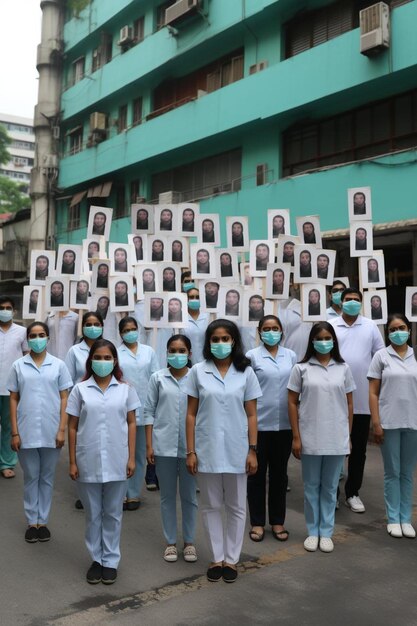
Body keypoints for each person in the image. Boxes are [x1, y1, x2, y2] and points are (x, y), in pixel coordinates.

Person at [185, 319, 261, 583]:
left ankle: (232, 559)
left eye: (225, 339)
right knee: (210, 505)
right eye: (215, 339)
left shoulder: (246, 372)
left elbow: (252, 414)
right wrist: (191, 451)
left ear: (234, 341)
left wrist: (252, 449)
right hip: (206, 448)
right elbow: (191, 414)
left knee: (238, 505)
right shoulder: (198, 371)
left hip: (238, 448)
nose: (220, 343)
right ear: (208, 343)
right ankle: (217, 557)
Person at [67, 339, 139, 584]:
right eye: (98, 357)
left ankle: (110, 560)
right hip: (87, 458)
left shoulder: (126, 389)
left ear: (115, 361)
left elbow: (131, 422)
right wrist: (73, 461)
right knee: (93, 513)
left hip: (118, 458)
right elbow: (72, 426)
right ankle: (96, 559)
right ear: (90, 361)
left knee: (113, 513)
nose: (103, 362)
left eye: (108, 358)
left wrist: (131, 458)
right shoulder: (80, 389)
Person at [288, 322, 355, 553]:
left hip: (336, 436)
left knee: (329, 487)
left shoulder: (343, 368)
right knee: (311, 487)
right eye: (319, 337)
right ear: (312, 341)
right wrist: (296, 436)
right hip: (310, 436)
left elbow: (349, 403)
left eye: (328, 337)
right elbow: (291, 402)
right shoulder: (301, 368)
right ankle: (312, 531)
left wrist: (348, 436)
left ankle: (326, 532)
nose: (324, 341)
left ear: (334, 340)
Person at [8, 322, 72, 542]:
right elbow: (13, 398)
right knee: (31, 476)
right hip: (25, 430)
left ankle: (42, 521)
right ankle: (31, 521)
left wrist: (61, 429)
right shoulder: (18, 365)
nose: (37, 339)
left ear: (48, 338)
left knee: (46, 477)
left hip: (52, 429)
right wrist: (14, 432)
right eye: (33, 336)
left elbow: (65, 397)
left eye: (41, 335)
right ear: (28, 339)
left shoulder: (59, 365)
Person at [330, 288, 384, 512]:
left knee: (358, 449)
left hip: (361, 399)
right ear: (340, 302)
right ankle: (331, 493)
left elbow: (380, 357)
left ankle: (353, 492)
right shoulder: (331, 325)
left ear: (361, 303)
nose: (352, 302)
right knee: (333, 448)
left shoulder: (370, 326)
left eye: (356, 300)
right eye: (348, 299)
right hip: (334, 399)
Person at [145, 335, 198, 562]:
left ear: (189, 353)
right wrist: (149, 445)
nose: (177, 355)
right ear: (166, 353)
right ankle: (170, 542)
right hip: (163, 446)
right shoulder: (157, 378)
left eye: (182, 350)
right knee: (167, 496)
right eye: (173, 351)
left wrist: (196, 448)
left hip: (190, 448)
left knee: (189, 497)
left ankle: (189, 542)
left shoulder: (197, 378)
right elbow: (149, 411)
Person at [246, 315, 297, 543]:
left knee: (279, 476)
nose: (271, 332)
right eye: (267, 328)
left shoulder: (291, 356)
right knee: (256, 475)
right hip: (259, 425)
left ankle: (277, 521)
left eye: (275, 328)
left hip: (285, 425)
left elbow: (296, 389)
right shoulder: (252, 356)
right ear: (259, 331)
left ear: (281, 331)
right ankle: (257, 522)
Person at [368, 314, 417, 539]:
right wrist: (376, 422)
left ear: (409, 329)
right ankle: (393, 518)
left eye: (402, 327)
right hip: (388, 422)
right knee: (392, 473)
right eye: (393, 329)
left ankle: (405, 518)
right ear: (387, 333)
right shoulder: (381, 356)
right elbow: (373, 392)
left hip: (413, 423)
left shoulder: (416, 356)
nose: (399, 332)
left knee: (407, 474)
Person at [117, 317, 159, 511]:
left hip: (144, 407)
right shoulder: (116, 353)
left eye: (134, 328)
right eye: (126, 330)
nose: (131, 332)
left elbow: (155, 378)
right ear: (121, 333)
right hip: (121, 408)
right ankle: (120, 493)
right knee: (122, 451)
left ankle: (133, 494)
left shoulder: (149, 352)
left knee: (140, 454)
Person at [0, 296, 28, 479]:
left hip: (11, 388)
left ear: (14, 310)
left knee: (10, 427)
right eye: (1, 307)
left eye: (8, 307)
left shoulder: (22, 331)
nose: (5, 310)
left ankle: (6, 462)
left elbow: (27, 356)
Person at [65, 312, 104, 386]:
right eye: (88, 325)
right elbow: (67, 382)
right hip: (79, 396)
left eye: (96, 324)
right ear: (82, 327)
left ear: (102, 326)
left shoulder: (108, 350)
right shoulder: (74, 351)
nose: (93, 328)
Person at [181, 288, 209, 364]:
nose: (195, 299)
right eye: (191, 297)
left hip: (206, 360)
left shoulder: (208, 316)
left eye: (197, 297)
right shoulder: (180, 317)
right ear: (186, 299)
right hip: (186, 362)